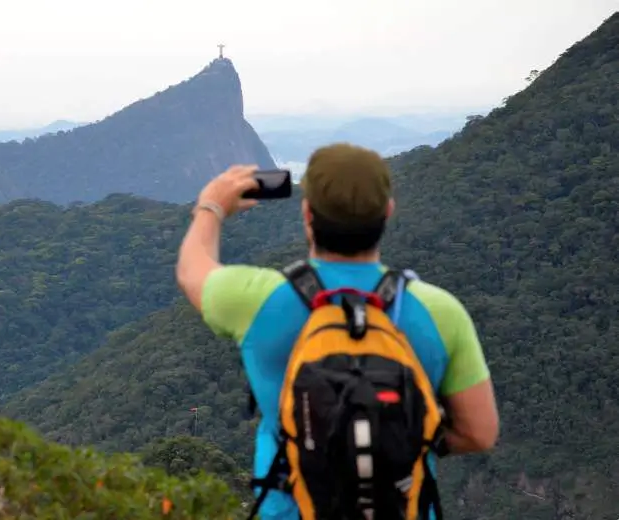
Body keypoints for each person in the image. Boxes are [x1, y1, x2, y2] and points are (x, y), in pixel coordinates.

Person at [175, 143, 499, 519]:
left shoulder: (257, 300)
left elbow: (191, 270)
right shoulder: (439, 312)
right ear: (387, 212)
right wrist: (401, 440)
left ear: (307, 213)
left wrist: (211, 207)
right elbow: (479, 432)